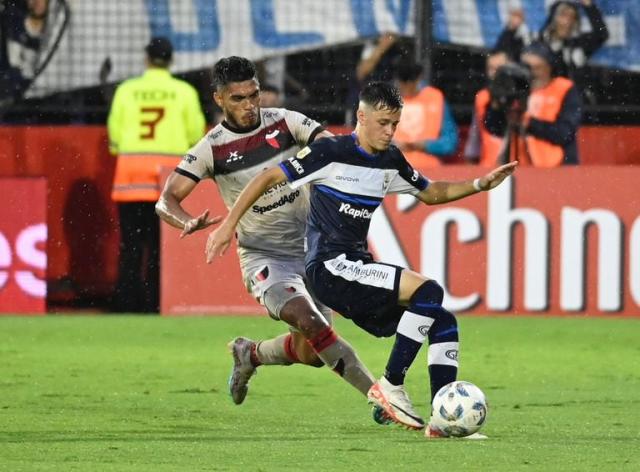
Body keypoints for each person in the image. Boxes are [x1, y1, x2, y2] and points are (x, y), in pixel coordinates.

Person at [205, 81, 517, 436]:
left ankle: (441, 422)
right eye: (383, 122)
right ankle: (390, 385)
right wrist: (228, 225)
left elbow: (431, 192)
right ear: (361, 116)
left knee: (442, 319)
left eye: (395, 124)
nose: (389, 131)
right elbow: (268, 176)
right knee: (429, 291)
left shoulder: (390, 159)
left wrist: (479, 184)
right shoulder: (329, 152)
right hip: (328, 267)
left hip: (355, 268)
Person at [155, 56, 413, 427]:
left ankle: (251, 354)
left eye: (254, 95)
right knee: (308, 320)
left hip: (315, 250)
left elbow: (334, 150)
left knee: (310, 351)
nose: (249, 105)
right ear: (219, 100)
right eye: (238, 98)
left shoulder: (287, 122)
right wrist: (186, 221)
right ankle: (382, 398)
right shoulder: (211, 149)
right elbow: (167, 198)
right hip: (265, 257)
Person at [107, 37, 205, 313]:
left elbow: (114, 137)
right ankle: (155, 303)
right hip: (168, 181)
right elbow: (194, 136)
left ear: (146, 59)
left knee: (131, 244)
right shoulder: (184, 92)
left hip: (130, 178)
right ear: (171, 60)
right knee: (160, 246)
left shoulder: (127, 90)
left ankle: (126, 303)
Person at [485, 42, 582, 167]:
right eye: (527, 67)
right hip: (518, 166)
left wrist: (528, 123)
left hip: (557, 167)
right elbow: (494, 128)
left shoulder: (564, 88)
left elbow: (565, 132)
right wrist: (497, 104)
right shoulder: (513, 90)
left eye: (537, 68)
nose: (533, 73)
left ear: (549, 67)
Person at [495, 0, 608, 99]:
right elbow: (500, 54)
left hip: (571, 105)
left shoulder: (578, 45)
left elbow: (601, 34)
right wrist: (510, 29)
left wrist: (589, 5)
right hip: (539, 102)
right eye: (563, 15)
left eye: (572, 17)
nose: (567, 22)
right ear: (553, 17)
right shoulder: (536, 41)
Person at [394, 61, 458, 168]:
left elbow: (451, 141)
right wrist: (391, 146)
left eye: (411, 83)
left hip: (429, 170)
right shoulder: (385, 99)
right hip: (393, 169)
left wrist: (427, 146)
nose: (407, 88)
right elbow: (370, 140)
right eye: (403, 83)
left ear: (419, 79)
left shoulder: (435, 97)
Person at [464, 50, 510, 166]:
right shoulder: (482, 96)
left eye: (499, 68)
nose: (494, 73)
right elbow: (475, 135)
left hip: (520, 167)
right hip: (488, 167)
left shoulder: (522, 95)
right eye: (491, 68)